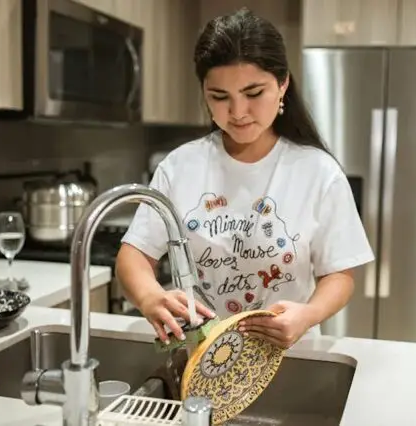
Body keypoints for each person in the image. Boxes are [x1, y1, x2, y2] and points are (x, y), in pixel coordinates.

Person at [115, 7, 374, 349]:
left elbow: (340, 274)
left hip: (287, 353)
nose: (237, 113)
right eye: (219, 97)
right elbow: (133, 255)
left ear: (283, 85)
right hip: (202, 354)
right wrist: (150, 297)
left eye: (254, 93)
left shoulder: (318, 172)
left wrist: (308, 314)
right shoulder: (180, 167)